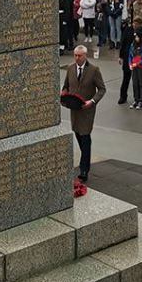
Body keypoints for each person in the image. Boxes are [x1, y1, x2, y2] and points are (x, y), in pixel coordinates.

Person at [63, 45, 104, 183]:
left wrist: (92, 101)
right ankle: (85, 159)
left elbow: (102, 89)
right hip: (74, 110)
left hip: (87, 111)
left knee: (85, 137)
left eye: (79, 55)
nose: (77, 58)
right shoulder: (70, 68)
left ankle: (84, 169)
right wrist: (64, 94)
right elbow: (66, 86)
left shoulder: (94, 70)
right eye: (75, 55)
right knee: (79, 135)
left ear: (85, 56)